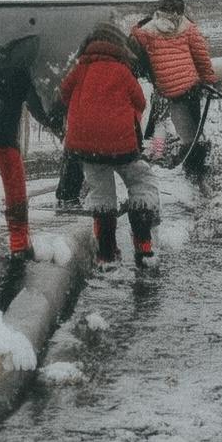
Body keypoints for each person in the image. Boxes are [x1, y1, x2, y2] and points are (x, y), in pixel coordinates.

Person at [60, 21, 160, 268]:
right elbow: (139, 101)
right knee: (141, 183)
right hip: (121, 145)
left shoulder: (80, 68)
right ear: (118, 46)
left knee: (101, 192)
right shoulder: (122, 70)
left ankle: (106, 253)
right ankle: (144, 245)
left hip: (86, 145)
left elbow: (63, 94)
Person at [0, 37, 82, 261]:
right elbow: (34, 105)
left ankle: (18, 238)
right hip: (8, 139)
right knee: (16, 190)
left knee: (12, 188)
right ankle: (19, 242)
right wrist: (54, 125)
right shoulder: (20, 74)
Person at [130, 0, 218, 173]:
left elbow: (135, 51)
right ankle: (194, 163)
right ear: (181, 10)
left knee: (160, 122)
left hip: (163, 88)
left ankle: (158, 154)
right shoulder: (188, 27)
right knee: (191, 130)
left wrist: (136, 29)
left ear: (159, 9)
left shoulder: (147, 30)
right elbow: (201, 58)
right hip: (188, 88)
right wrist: (209, 81)